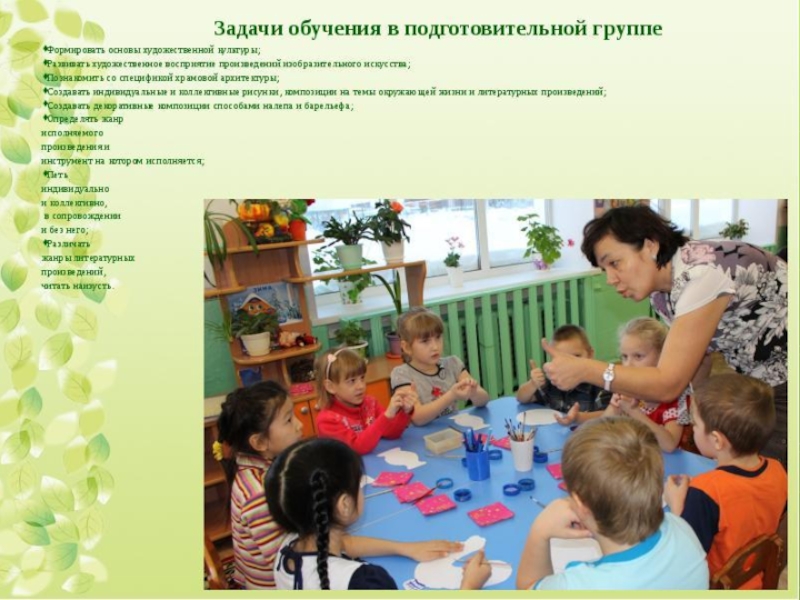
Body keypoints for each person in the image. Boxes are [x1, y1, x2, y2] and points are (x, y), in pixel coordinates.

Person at [542, 205, 787, 466]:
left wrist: (585, 369)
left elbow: (667, 384)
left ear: (650, 245)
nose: (610, 279)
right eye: (605, 270)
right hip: (760, 375)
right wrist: (696, 414)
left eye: (614, 263)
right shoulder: (663, 294)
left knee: (766, 473)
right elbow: (699, 358)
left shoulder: (701, 274)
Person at [266, 437, 491, 590]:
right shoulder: (366, 582)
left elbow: (345, 544)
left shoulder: (288, 550)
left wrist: (404, 548)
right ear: (344, 505)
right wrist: (469, 586)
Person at [516, 417, 709, 590]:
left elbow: (527, 588)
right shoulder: (683, 529)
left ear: (579, 503)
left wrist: (539, 531)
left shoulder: (577, 586)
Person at [664, 373, 787, 589]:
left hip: (714, 584)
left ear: (717, 440)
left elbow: (683, 554)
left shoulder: (705, 493)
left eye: (695, 425)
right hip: (754, 577)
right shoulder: (778, 471)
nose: (692, 429)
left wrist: (676, 507)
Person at [215, 380, 304, 589]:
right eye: (289, 419)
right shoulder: (258, 495)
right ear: (260, 442)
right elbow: (288, 563)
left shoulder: (255, 465)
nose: (299, 424)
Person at [391, 307, 489, 426]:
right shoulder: (402, 375)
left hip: (452, 431)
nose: (435, 347)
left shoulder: (452, 364)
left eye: (438, 337)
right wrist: (451, 395)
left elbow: (484, 401)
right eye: (425, 341)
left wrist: (474, 392)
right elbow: (418, 418)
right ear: (407, 347)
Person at [602, 318, 685, 452]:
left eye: (638, 356)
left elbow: (669, 445)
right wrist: (614, 407)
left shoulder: (674, 397)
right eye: (624, 357)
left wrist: (634, 411)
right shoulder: (628, 391)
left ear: (662, 356)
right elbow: (601, 430)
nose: (628, 365)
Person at [315, 347, 415, 454]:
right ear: (330, 387)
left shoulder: (370, 403)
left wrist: (404, 412)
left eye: (362, 378)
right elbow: (357, 447)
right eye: (352, 381)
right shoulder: (327, 420)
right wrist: (386, 416)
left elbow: (391, 434)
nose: (361, 386)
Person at [516, 324, 610, 420]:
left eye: (576, 356)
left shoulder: (600, 383)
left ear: (590, 354)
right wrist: (532, 384)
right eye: (562, 359)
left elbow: (609, 415)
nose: (570, 364)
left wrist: (578, 418)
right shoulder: (551, 382)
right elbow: (521, 398)